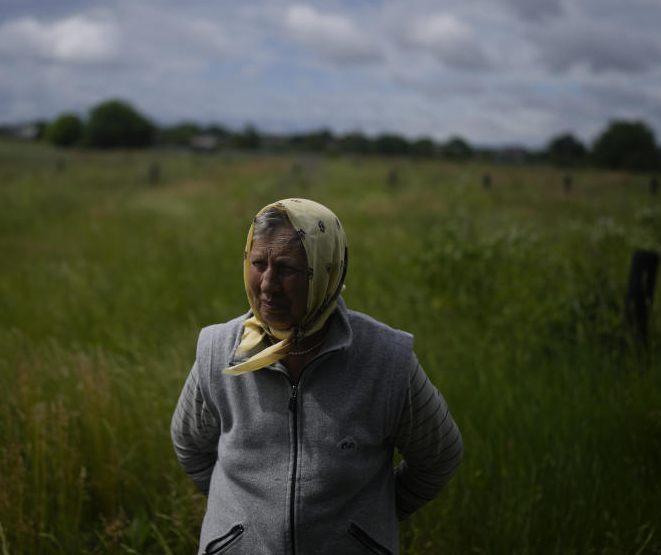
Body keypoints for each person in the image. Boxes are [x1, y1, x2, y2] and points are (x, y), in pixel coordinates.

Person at [171, 198, 463, 555]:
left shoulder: (386, 359)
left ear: (326, 270)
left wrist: (365, 526)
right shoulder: (218, 350)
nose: (267, 284)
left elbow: (439, 455)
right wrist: (237, 527)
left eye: (288, 268)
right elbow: (189, 444)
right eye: (258, 263)